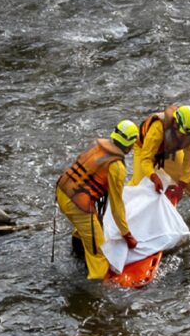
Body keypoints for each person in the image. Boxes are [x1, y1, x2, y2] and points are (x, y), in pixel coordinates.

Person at [56, 120, 140, 279]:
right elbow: (117, 205)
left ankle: (78, 250)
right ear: (130, 145)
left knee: (89, 230)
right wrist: (127, 235)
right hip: (77, 205)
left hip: (62, 193)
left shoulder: (97, 146)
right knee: (100, 254)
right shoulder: (116, 166)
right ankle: (96, 288)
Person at [129, 105, 190, 215]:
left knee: (186, 177)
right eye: (183, 134)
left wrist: (180, 187)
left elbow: (188, 163)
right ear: (176, 125)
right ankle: (123, 206)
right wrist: (154, 177)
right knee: (139, 185)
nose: (186, 137)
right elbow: (146, 159)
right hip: (144, 149)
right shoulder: (158, 129)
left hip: (170, 150)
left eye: (189, 135)